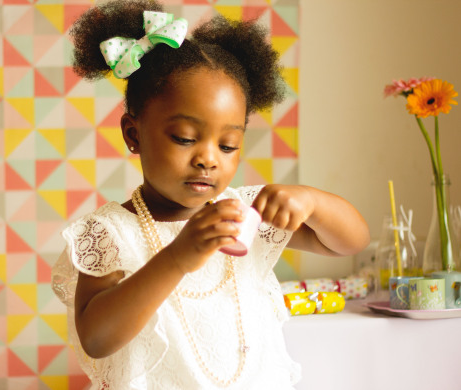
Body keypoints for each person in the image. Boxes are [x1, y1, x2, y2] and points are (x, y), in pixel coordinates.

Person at [51, 0, 370, 389]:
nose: (207, 158)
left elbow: (350, 243)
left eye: (229, 145)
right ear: (134, 134)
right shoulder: (107, 233)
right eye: (185, 138)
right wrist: (177, 257)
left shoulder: (245, 214)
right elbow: (97, 340)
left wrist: (313, 202)